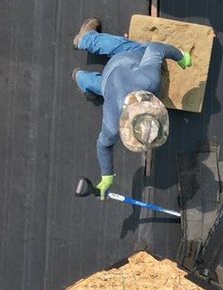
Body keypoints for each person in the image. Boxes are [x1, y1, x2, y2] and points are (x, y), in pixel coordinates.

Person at [76, 19, 191, 196]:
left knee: (119, 59)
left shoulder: (113, 125)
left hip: (114, 77)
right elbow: (154, 49)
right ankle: (80, 71)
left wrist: (180, 56)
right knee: (128, 52)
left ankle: (85, 47)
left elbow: (104, 146)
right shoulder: (149, 81)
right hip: (115, 72)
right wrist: (180, 56)